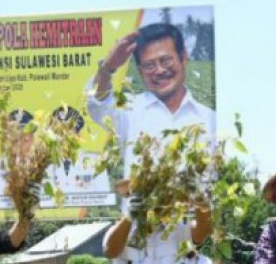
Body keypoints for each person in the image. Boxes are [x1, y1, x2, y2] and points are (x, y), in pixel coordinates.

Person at [86, 22, 216, 170]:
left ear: (183, 57)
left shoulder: (210, 119)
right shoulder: (129, 110)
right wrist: (108, 68)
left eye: (165, 60)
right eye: (149, 65)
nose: (159, 70)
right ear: (141, 72)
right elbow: (97, 104)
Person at [46, 106, 110, 193]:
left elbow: (104, 199)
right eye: (59, 132)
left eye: (70, 132)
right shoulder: (39, 165)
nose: (64, 137)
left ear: (78, 136)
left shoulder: (95, 162)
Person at [0, 108, 35, 196]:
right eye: (15, 139)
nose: (19, 145)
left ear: (32, 140)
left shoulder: (41, 166)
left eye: (24, 139)